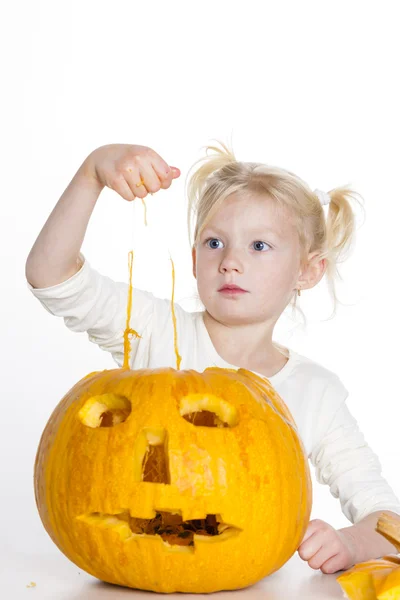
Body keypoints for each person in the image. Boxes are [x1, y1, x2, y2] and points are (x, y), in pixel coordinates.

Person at [25, 141, 400, 574]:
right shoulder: (155, 329)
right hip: (126, 570)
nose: (231, 262)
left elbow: (388, 518)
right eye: (214, 242)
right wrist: (91, 174)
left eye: (259, 246)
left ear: (307, 271)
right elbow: (50, 275)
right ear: (194, 260)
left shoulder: (315, 393)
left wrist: (351, 542)